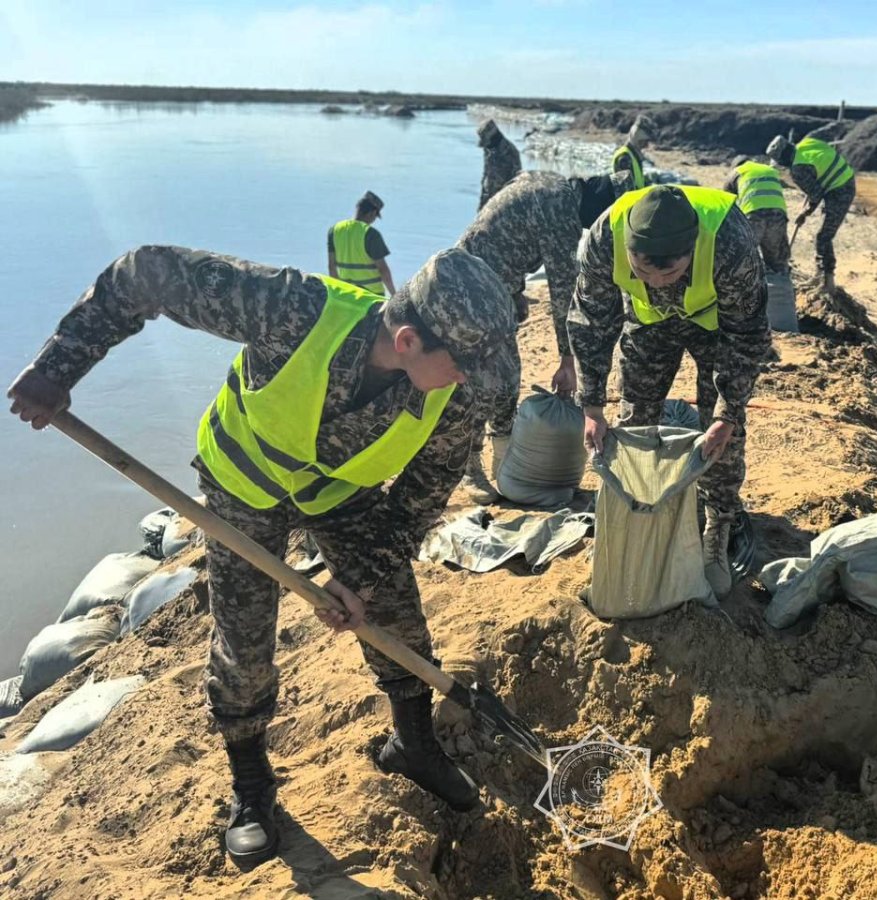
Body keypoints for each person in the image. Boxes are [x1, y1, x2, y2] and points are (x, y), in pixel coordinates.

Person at [7, 245, 516, 868]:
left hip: (338, 494)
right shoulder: (294, 310)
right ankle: (251, 784)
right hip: (243, 485)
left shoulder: (456, 398)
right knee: (245, 643)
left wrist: (362, 583)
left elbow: (414, 504)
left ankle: (412, 742)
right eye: (462, 363)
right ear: (408, 339)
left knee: (396, 611)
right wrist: (59, 367)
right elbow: (145, 274)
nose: (468, 375)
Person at [569, 185, 769, 598]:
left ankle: (717, 525)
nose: (657, 282)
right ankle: (633, 522)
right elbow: (591, 320)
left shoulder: (730, 243)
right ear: (628, 249)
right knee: (634, 423)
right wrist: (591, 404)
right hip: (646, 324)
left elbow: (747, 333)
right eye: (643, 272)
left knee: (721, 436)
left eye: (670, 273)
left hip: (716, 326)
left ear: (692, 250)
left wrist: (728, 413)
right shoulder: (605, 237)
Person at [456, 171, 627, 501]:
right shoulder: (560, 207)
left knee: (506, 379)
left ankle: (504, 462)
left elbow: (508, 234)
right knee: (486, 383)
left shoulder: (550, 182)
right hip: (474, 289)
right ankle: (472, 467)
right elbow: (563, 288)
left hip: (487, 281)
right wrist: (568, 359)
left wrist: (516, 290)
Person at [765, 134, 856, 293]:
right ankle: (818, 275)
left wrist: (805, 213)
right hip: (844, 177)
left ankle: (828, 283)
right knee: (823, 235)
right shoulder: (806, 143)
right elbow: (818, 172)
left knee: (823, 237)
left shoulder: (798, 170)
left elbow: (816, 194)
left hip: (840, 190)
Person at [722, 157, 790, 274]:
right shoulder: (769, 170)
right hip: (778, 216)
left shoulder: (737, 172)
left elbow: (726, 203)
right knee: (777, 262)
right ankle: (781, 288)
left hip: (753, 215)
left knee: (743, 259)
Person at [328, 190, 396, 296]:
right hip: (371, 297)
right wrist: (394, 295)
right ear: (372, 213)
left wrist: (338, 293)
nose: (374, 220)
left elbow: (332, 267)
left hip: (347, 294)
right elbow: (383, 270)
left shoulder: (335, 230)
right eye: (375, 217)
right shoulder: (371, 234)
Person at [477, 119, 522, 211]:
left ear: (494, 137)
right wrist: (481, 204)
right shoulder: (489, 148)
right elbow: (486, 173)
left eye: (487, 142)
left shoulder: (511, 152)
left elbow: (515, 183)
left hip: (503, 203)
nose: (486, 146)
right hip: (488, 199)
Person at [611, 116, 655, 190]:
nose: (646, 145)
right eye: (644, 141)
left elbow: (637, 182)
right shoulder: (624, 157)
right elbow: (625, 191)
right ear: (637, 138)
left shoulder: (633, 155)